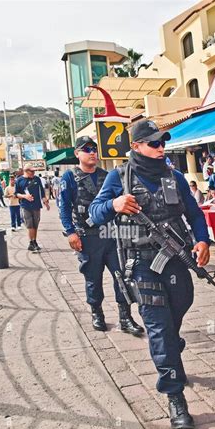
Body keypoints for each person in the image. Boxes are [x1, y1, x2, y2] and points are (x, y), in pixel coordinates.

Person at [89, 120, 211, 429]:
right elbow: (95, 212)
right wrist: (115, 203)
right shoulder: (120, 177)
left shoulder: (176, 176)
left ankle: (171, 342)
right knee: (158, 326)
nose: (161, 148)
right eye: (154, 143)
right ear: (136, 146)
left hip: (175, 260)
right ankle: (175, 395)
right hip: (141, 262)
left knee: (181, 305)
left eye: (163, 143)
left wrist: (202, 240)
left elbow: (195, 214)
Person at [59, 136, 144, 336]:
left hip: (112, 235)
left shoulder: (108, 176)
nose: (92, 153)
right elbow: (64, 206)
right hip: (87, 237)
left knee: (122, 275)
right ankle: (97, 313)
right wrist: (70, 232)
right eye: (87, 149)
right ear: (77, 153)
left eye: (94, 149)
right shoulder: (70, 177)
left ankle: (125, 317)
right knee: (93, 278)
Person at [14, 166, 50, 252]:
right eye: (32, 171)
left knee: (35, 225)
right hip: (25, 205)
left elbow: (41, 191)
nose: (33, 173)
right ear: (26, 171)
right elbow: (16, 194)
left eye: (34, 171)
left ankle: (34, 241)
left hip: (36, 205)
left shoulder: (37, 179)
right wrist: (25, 196)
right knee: (30, 225)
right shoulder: (19, 180)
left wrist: (45, 202)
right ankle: (31, 242)